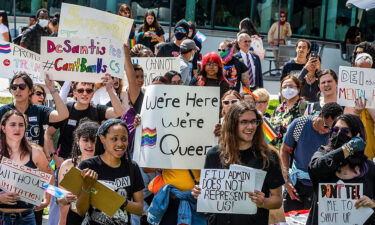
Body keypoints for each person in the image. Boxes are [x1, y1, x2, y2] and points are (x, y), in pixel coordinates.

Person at [192, 102, 284, 225]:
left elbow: (277, 200)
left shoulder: (268, 157)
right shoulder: (213, 154)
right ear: (232, 125)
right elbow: (207, 194)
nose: (250, 127)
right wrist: (200, 193)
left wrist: (263, 202)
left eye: (254, 121)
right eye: (244, 122)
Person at [307, 114, 375, 225]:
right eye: (335, 129)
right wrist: (347, 149)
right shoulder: (321, 155)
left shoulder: (369, 168)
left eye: (345, 131)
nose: (339, 134)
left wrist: (373, 204)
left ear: (357, 136)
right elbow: (315, 168)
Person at [76, 119, 144, 225]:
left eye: (124, 139)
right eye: (114, 139)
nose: (120, 143)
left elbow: (139, 209)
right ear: (103, 139)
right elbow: (81, 211)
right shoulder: (88, 166)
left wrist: (116, 200)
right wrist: (86, 187)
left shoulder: (132, 167)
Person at [44, 74, 124, 164]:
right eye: (80, 90)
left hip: (92, 163)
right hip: (67, 162)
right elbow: (48, 134)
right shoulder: (65, 110)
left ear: (93, 93)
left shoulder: (97, 110)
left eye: (89, 91)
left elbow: (119, 112)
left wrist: (109, 89)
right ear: (74, 93)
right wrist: (54, 157)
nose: (85, 94)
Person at [280, 102, 344, 212]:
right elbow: (285, 150)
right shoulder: (300, 124)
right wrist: (286, 179)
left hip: (323, 187)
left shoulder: (336, 133)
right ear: (320, 115)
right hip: (297, 184)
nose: (327, 131)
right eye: (325, 126)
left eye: (331, 129)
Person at [0, 110, 52, 225]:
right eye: (12, 125)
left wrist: (47, 200)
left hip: (26, 218)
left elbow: (49, 175)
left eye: (21, 125)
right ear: (3, 128)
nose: (17, 129)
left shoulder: (36, 153)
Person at [0, 72, 68, 146]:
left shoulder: (40, 110)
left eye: (22, 86)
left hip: (34, 156)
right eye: (14, 87)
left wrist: (52, 89)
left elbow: (63, 115)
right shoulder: (3, 111)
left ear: (30, 91)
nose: (17, 90)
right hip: (9, 156)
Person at [57, 120, 100, 225]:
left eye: (93, 141)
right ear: (77, 141)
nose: (89, 145)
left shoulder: (105, 164)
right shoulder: (67, 165)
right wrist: (64, 199)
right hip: (74, 217)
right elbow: (60, 200)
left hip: (98, 219)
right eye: (85, 140)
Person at [270, 75, 307, 147]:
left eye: (290, 86)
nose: (287, 89)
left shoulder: (305, 107)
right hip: (278, 152)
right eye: (284, 87)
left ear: (298, 89)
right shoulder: (278, 109)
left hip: (296, 152)